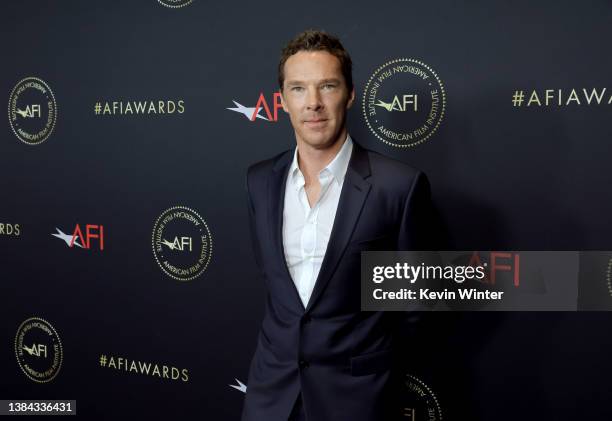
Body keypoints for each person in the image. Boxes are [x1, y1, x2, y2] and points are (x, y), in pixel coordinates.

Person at [241, 29, 434, 421]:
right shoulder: (259, 180)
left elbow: (414, 308)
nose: (313, 104)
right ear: (282, 101)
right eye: (298, 89)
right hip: (271, 396)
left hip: (358, 399)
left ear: (349, 94)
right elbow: (274, 280)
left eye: (327, 86)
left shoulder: (399, 185)